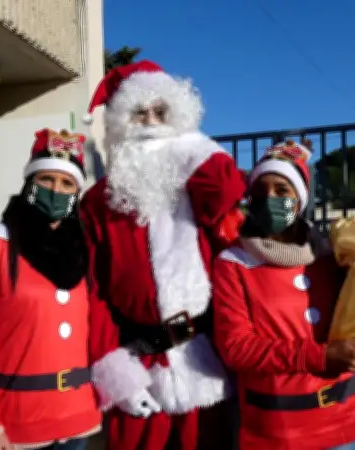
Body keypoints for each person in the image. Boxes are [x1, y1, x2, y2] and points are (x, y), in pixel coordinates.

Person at [212, 140, 355, 450]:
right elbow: (236, 348)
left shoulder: (333, 253)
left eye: (282, 190)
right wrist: (323, 354)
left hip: (342, 420)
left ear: (300, 198)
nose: (269, 198)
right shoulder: (234, 263)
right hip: (278, 427)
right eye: (260, 190)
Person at [78, 60, 247, 450]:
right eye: (140, 114)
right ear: (122, 124)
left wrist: (186, 143)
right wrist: (116, 374)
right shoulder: (98, 203)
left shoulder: (195, 183)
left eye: (162, 113)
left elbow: (226, 188)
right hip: (138, 365)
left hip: (203, 359)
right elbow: (91, 291)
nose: (151, 123)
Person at [0, 129, 101, 450]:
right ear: (29, 182)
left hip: (78, 422)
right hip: (15, 428)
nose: (56, 190)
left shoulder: (82, 249)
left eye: (67, 183)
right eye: (46, 179)